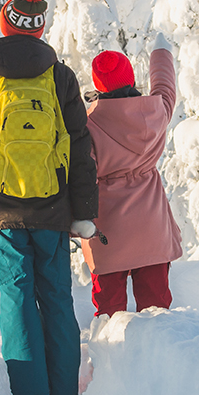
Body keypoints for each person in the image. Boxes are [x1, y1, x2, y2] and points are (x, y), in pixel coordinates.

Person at [0, 0, 99, 395]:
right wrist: (84, 211)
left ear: (6, 25)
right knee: (55, 297)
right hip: (52, 208)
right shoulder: (60, 76)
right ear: (39, 29)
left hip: (0, 208)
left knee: (16, 298)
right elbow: (81, 148)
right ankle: (64, 393)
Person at [80, 33, 182, 317]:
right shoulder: (156, 111)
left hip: (107, 232)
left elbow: (81, 173)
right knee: (157, 312)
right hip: (152, 229)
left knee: (110, 313)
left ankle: (113, 359)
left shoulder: (86, 126)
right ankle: (160, 359)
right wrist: (161, 51)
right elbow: (165, 85)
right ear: (129, 78)